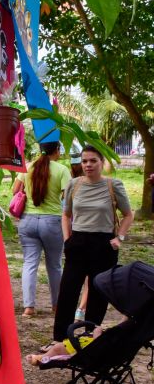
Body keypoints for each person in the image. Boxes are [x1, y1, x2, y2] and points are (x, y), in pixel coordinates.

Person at [52, 144, 133, 342]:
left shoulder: (113, 185)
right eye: (84, 161)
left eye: (93, 161)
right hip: (77, 242)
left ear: (101, 162)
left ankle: (89, 334)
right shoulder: (74, 184)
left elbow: (128, 215)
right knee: (68, 290)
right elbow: (66, 214)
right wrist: (67, 239)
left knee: (98, 291)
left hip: (103, 243)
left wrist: (119, 238)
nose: (88, 165)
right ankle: (60, 337)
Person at [11, 142, 69, 317]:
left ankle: (29, 307)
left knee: (29, 264)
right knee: (54, 265)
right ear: (57, 150)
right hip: (52, 221)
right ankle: (57, 305)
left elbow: (15, 190)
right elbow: (68, 195)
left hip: (27, 221)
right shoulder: (61, 170)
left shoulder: (27, 167)